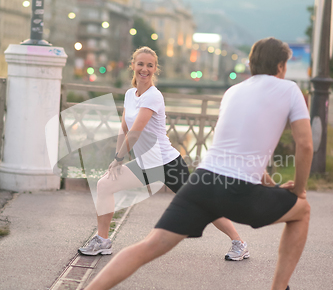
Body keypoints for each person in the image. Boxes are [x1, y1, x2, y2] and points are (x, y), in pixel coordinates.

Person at [63, 37, 312, 290]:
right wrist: (299, 190)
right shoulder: (289, 90)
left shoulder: (234, 91)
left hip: (203, 181)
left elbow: (233, 148)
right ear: (281, 66)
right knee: (301, 210)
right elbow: (305, 146)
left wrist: (265, 180)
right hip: (238, 188)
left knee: (150, 245)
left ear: (251, 63)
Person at [78, 46, 248, 262]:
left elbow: (137, 132)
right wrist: (117, 159)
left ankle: (239, 243)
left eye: (150, 65)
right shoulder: (131, 94)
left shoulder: (153, 96)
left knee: (201, 204)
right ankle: (102, 241)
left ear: (155, 69)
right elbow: (125, 128)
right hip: (145, 164)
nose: (144, 69)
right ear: (133, 65)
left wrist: (119, 159)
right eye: (140, 64)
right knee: (104, 185)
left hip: (167, 163)